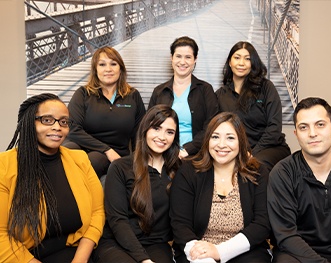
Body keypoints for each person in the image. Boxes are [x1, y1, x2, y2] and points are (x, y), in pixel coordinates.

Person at [0, 93, 105, 263]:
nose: (58, 127)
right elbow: (1, 236)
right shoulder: (3, 166)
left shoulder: (80, 159)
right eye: (47, 120)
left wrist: (80, 259)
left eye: (64, 122)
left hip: (75, 251)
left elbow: (97, 212)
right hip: (23, 257)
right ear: (29, 122)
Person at [170, 112, 271, 263]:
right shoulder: (188, 171)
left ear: (241, 142)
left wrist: (220, 251)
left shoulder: (258, 173)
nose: (221, 144)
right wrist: (200, 254)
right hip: (197, 249)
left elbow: (263, 223)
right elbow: (180, 224)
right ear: (207, 140)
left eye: (230, 138)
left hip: (245, 251)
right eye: (215, 137)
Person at [267, 97, 331, 263]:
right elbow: (285, 235)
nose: (312, 133)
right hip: (297, 254)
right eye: (304, 127)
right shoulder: (282, 174)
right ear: (296, 134)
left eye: (320, 124)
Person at [93, 104, 181, 263]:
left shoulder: (178, 170)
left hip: (156, 244)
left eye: (169, 132)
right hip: (117, 243)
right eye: (156, 128)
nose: (162, 137)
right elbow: (117, 220)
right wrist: (144, 260)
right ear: (145, 130)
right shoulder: (121, 167)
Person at [64, 46, 146, 178]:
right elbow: (72, 128)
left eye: (113, 64)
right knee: (68, 151)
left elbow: (140, 134)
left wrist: (139, 165)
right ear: (95, 70)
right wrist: (106, 150)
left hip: (116, 154)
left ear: (121, 69)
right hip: (84, 147)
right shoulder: (83, 94)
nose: (108, 69)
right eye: (102, 64)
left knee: (94, 160)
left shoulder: (133, 96)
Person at [216, 41, 290, 171]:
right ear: (230, 62)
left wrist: (253, 153)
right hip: (236, 150)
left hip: (269, 148)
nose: (241, 63)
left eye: (247, 59)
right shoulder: (220, 95)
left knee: (256, 165)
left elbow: (274, 127)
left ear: (253, 63)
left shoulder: (266, 87)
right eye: (237, 58)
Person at [148, 36, 218, 159]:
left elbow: (212, 126)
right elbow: (149, 126)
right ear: (171, 58)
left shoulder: (205, 89)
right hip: (163, 153)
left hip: (195, 154)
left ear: (195, 59)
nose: (182, 62)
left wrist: (188, 149)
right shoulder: (159, 91)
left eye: (188, 57)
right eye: (178, 56)